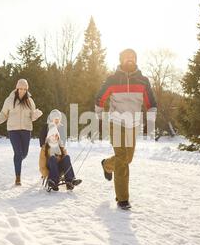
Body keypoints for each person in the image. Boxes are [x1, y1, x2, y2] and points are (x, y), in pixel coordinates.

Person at [95, 49, 157, 210]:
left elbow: (151, 103)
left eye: (133, 57)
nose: (130, 59)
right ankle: (123, 199)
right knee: (122, 159)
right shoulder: (112, 80)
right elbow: (99, 98)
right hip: (116, 122)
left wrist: (150, 122)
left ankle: (107, 164)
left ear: (136, 60)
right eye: (126, 57)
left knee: (127, 159)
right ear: (121, 60)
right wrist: (100, 117)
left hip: (133, 124)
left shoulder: (143, 81)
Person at [0, 79, 43, 186]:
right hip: (13, 130)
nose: (22, 91)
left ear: (27, 89)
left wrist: (36, 115)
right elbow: (3, 114)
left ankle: (17, 160)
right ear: (17, 88)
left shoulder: (30, 101)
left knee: (24, 154)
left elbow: (32, 117)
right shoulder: (9, 100)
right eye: (20, 89)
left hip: (26, 130)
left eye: (24, 89)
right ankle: (18, 177)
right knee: (18, 153)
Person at [39, 119, 82, 192]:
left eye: (56, 136)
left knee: (66, 157)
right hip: (51, 170)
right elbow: (42, 165)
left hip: (59, 169)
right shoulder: (45, 148)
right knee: (52, 158)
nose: (54, 137)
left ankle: (70, 180)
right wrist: (46, 175)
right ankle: (53, 181)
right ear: (49, 137)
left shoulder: (61, 147)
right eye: (52, 135)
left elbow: (66, 162)